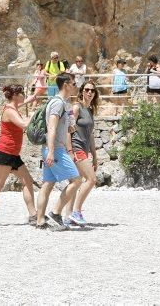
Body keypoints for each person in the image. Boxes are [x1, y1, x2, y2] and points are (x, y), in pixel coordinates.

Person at [0, 84, 37, 226]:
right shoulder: (9, 111)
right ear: (15, 96)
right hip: (4, 153)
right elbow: (23, 125)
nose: (23, 95)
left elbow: (18, 104)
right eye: (21, 94)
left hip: (13, 154)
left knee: (28, 181)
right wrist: (31, 116)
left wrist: (29, 100)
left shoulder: (12, 107)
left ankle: (33, 216)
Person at [35, 73, 81, 231]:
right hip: (55, 149)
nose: (76, 86)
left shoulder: (62, 103)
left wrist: (70, 126)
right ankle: (55, 213)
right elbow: (52, 127)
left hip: (51, 148)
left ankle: (40, 221)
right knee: (76, 181)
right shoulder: (57, 103)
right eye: (74, 83)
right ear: (66, 84)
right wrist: (52, 152)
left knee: (47, 184)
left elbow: (62, 127)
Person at [64, 81, 99, 226]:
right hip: (76, 148)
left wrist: (94, 155)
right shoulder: (76, 107)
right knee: (91, 180)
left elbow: (90, 135)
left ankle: (67, 216)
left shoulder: (90, 110)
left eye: (92, 90)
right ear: (82, 91)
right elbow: (67, 129)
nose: (90, 92)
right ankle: (76, 211)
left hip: (84, 149)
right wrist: (70, 151)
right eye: (87, 90)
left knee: (76, 182)